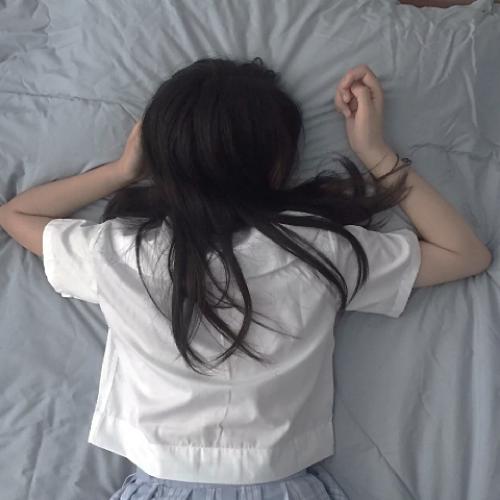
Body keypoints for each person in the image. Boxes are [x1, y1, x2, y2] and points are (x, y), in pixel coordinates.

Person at [0, 58, 491, 499]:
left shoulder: (123, 251)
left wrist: (121, 171)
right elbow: (465, 253)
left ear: (162, 156)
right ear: (279, 164)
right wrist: (375, 151)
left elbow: (17, 214)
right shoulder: (318, 249)